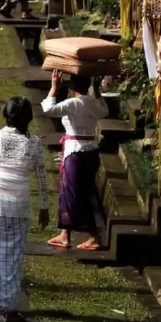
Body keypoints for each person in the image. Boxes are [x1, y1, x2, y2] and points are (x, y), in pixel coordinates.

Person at [0, 96, 49, 322]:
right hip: (19, 204)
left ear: (6, 116)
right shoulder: (34, 142)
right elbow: (42, 177)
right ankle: (10, 308)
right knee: (13, 258)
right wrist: (45, 207)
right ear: (28, 118)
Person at [42, 71, 107, 251]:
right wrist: (97, 90)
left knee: (71, 193)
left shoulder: (73, 104)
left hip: (75, 152)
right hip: (91, 151)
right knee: (83, 191)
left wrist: (54, 87)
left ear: (72, 87)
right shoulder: (93, 103)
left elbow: (48, 109)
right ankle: (67, 234)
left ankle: (86, 235)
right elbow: (105, 111)